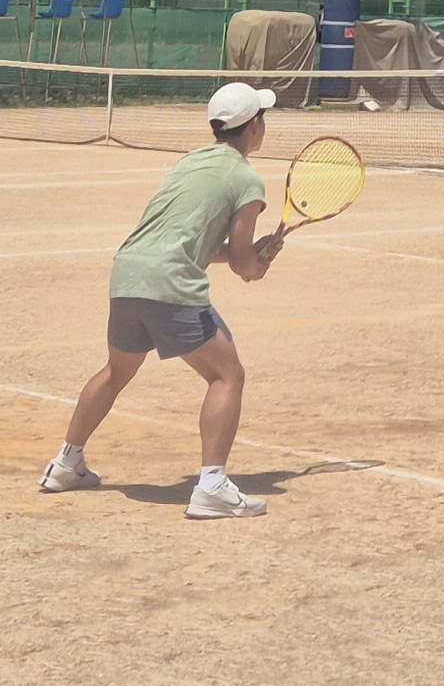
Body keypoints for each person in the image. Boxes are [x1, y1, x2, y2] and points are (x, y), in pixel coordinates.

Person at [40, 81, 287, 519]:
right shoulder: (247, 179)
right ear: (253, 127)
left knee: (117, 371)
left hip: (128, 274)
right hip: (170, 284)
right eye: (262, 118)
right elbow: (242, 265)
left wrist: (249, 256)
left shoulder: (189, 164)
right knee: (227, 376)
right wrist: (259, 259)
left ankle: (66, 463)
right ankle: (211, 485)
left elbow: (199, 244)